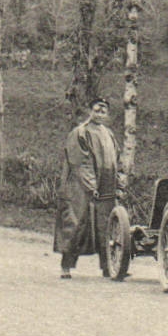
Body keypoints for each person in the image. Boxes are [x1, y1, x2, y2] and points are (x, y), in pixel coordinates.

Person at [53, 97, 120, 279]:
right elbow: (80, 161)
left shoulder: (108, 134)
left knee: (106, 225)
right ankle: (66, 266)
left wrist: (117, 184)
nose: (99, 114)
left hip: (105, 185)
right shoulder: (80, 133)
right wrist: (91, 185)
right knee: (76, 223)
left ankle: (108, 267)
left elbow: (116, 160)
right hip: (80, 187)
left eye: (103, 111)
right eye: (96, 110)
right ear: (90, 111)